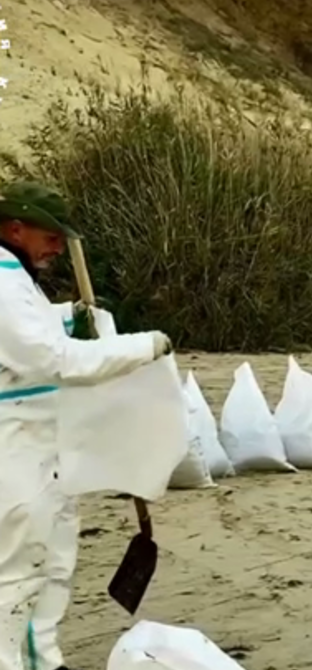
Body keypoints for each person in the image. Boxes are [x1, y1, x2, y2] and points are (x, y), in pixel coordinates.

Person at [0, 180, 173, 670]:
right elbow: (52, 360)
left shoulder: (16, 274)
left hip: (44, 448)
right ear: (16, 228)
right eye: (50, 236)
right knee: (16, 576)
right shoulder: (1, 280)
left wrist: (68, 317)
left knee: (53, 566)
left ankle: (44, 660)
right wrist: (140, 347)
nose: (58, 247)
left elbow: (32, 332)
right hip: (14, 446)